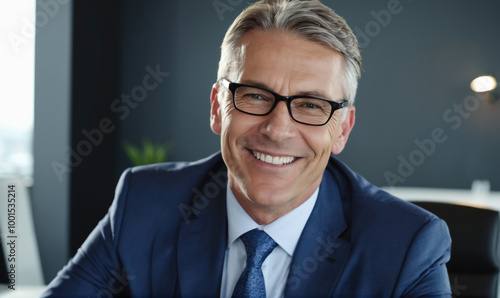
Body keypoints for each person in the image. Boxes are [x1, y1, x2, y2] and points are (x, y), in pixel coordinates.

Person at [42, 0, 452, 297]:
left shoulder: (406, 245)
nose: (277, 129)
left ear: (342, 129)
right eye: (255, 96)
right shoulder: (145, 202)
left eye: (310, 105)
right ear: (218, 108)